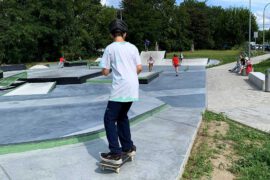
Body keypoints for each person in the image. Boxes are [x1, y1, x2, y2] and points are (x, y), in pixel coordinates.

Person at [99, 19, 142, 165]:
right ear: (125, 34)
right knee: (122, 116)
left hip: (120, 88)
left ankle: (115, 153)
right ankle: (128, 147)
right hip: (133, 87)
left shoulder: (110, 48)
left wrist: (107, 69)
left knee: (109, 119)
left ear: (112, 34)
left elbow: (105, 71)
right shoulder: (133, 47)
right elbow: (139, 68)